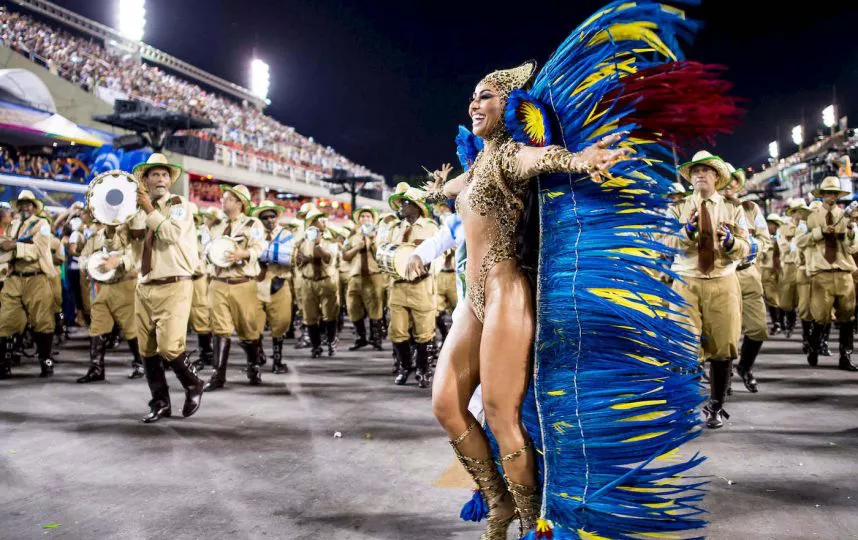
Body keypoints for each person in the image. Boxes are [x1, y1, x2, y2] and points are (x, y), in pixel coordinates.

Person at [422, 57, 629, 535]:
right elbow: (451, 191)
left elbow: (546, 158)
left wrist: (580, 159)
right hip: (472, 298)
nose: (475, 102)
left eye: (487, 95)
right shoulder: (476, 165)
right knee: (446, 405)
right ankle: (499, 503)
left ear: (509, 105)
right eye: (473, 95)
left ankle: (534, 519)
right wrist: (434, 190)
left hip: (505, 292)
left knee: (499, 413)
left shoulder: (510, 154)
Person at [663, 152, 750, 428]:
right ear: (689, 179)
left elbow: (747, 248)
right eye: (695, 171)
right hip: (687, 281)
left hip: (723, 281)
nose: (700, 174)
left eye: (706, 170)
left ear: (717, 177)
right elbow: (664, 243)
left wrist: (729, 243)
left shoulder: (732, 208)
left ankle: (715, 406)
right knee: (684, 344)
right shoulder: (676, 209)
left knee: (723, 346)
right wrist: (685, 232)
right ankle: (685, 406)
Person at [132, 153, 205, 423]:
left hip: (174, 284)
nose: (161, 179)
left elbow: (172, 234)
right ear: (146, 181)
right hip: (145, 284)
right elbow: (131, 242)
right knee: (147, 349)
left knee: (170, 346)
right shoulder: (139, 210)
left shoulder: (179, 204)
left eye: (164, 174)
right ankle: (160, 402)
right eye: (155, 174)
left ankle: (193, 383)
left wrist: (148, 211)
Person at [204, 184, 266, 389]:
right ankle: (217, 375)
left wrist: (243, 254)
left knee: (248, 328)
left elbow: (259, 248)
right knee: (219, 329)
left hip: (242, 282)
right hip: (218, 282)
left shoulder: (252, 223)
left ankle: (253, 366)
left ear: (239, 203)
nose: (223, 201)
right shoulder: (217, 226)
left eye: (228, 198)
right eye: (224, 198)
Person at [76, 203, 146, 382]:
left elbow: (135, 255)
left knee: (131, 328)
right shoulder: (96, 236)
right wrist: (90, 266)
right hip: (104, 286)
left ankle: (140, 364)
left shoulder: (130, 230)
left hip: (126, 284)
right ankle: (96, 368)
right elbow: (83, 257)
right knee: (97, 325)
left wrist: (118, 261)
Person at [798, 177, 858, 371]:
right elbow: (800, 242)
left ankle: (845, 356)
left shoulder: (846, 216)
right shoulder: (812, 216)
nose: (831, 196)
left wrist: (849, 232)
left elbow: (852, 248)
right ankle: (814, 347)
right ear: (822, 195)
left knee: (847, 317)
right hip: (821, 274)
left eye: (835, 193)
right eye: (828, 192)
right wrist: (821, 232)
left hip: (843, 272)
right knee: (821, 317)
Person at [0, 190, 59, 378]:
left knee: (42, 321)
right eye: (22, 203)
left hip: (37, 277)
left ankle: (45, 360)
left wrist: (15, 247)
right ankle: (4, 362)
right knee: (6, 319)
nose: (25, 206)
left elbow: (39, 250)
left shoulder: (42, 224)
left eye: (28, 203)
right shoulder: (14, 225)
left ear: (34, 206)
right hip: (15, 277)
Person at [723, 165, 771, 393]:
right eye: (726, 179)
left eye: (735, 180)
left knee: (759, 328)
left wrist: (753, 246)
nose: (731, 184)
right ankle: (723, 375)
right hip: (722, 274)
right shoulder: (710, 208)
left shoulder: (751, 209)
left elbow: (765, 239)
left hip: (747, 272)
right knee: (725, 331)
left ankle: (745, 366)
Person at [386, 184, 439, 389]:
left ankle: (423, 370)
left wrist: (421, 247)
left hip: (421, 286)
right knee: (397, 330)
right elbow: (385, 251)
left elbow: (438, 254)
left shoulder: (431, 227)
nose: (401, 206)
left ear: (417, 206)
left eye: (406, 203)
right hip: (398, 286)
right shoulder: (395, 228)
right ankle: (405, 366)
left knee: (424, 332)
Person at [252, 200, 293, 374]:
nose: (270, 220)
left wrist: (262, 252)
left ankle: (278, 360)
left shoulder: (286, 234)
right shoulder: (253, 234)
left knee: (281, 322)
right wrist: (271, 252)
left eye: (272, 216)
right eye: (265, 217)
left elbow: (286, 256)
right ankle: (257, 355)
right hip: (257, 284)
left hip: (279, 282)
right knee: (254, 324)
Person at [293, 208, 339, 358]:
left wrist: (317, 245)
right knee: (310, 316)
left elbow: (328, 258)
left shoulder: (330, 240)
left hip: (326, 281)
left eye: (322, 220)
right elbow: (297, 261)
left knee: (330, 315)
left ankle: (331, 343)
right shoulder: (301, 242)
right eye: (318, 220)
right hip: (308, 281)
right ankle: (316, 346)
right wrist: (302, 258)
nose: (322, 223)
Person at [341, 206, 385, 351]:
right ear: (359, 220)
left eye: (368, 216)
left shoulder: (379, 236)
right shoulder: (352, 237)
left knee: (375, 306)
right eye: (363, 216)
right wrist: (357, 247)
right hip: (355, 276)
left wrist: (372, 241)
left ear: (373, 220)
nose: (365, 219)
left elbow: (381, 256)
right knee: (353, 306)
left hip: (373, 275)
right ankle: (361, 338)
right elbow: (345, 256)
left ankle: (376, 338)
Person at [188, 203, 214, 371]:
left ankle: (207, 355)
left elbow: (205, 257)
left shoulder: (200, 235)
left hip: (197, 278)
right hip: (181, 279)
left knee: (201, 315)